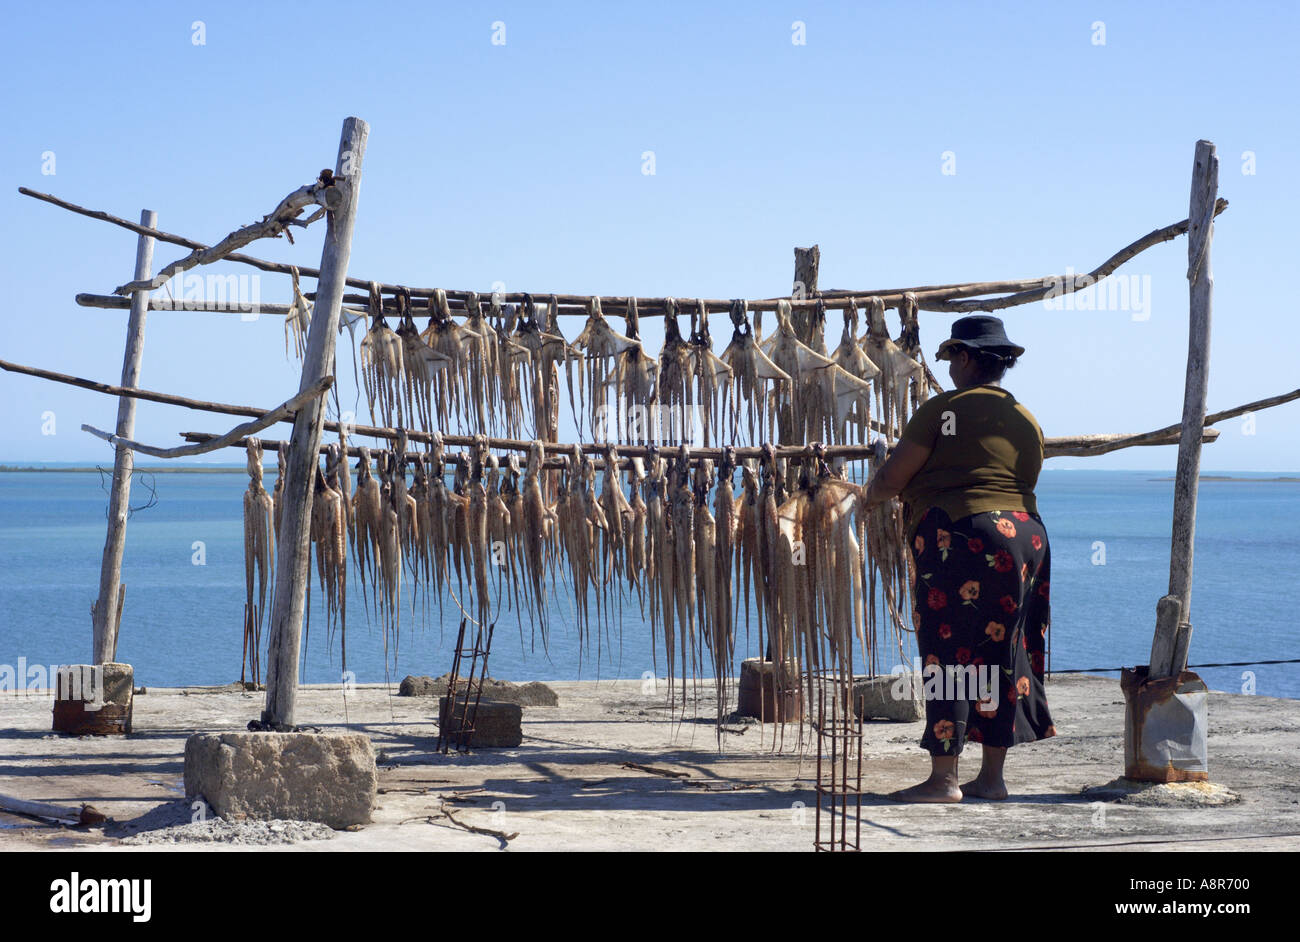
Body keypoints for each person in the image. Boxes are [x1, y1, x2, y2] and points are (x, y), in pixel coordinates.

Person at [864, 314, 1055, 802]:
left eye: (951, 357)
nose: (948, 367)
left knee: (948, 650)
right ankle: (992, 778)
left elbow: (891, 480)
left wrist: (865, 496)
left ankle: (944, 778)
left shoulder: (942, 410)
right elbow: (1024, 481)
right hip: (1025, 538)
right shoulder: (1026, 417)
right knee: (1002, 650)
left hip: (963, 534)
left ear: (966, 358)